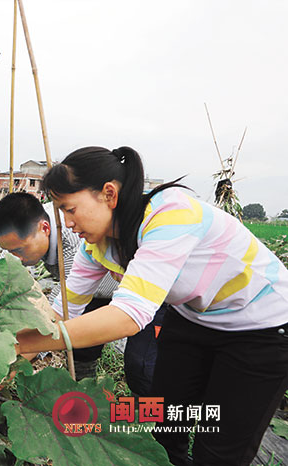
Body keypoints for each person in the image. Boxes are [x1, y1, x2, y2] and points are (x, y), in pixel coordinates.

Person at [15, 146, 288, 466]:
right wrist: (6, 351)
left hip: (261, 328)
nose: (67, 223)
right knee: (165, 425)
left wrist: (29, 342)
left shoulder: (170, 214)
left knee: (217, 450)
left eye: (70, 209)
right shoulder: (97, 246)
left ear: (108, 194)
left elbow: (129, 316)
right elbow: (63, 309)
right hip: (194, 319)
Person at [0, 192, 166, 394]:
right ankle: (88, 393)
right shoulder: (27, 228)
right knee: (81, 348)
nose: (16, 258)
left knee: (140, 363)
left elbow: (62, 307)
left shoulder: (75, 235)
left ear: (45, 229)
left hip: (141, 294)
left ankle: (145, 417)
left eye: (19, 251)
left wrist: (13, 356)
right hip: (92, 292)